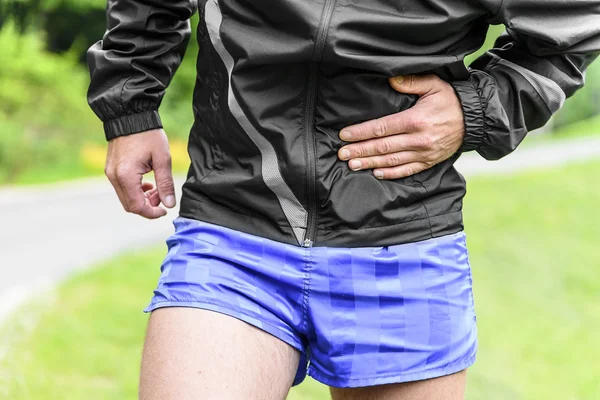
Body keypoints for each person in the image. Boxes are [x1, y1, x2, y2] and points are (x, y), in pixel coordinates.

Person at [87, 1, 600, 398]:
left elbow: (574, 26)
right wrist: (130, 104)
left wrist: (473, 109)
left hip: (402, 242)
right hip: (234, 224)